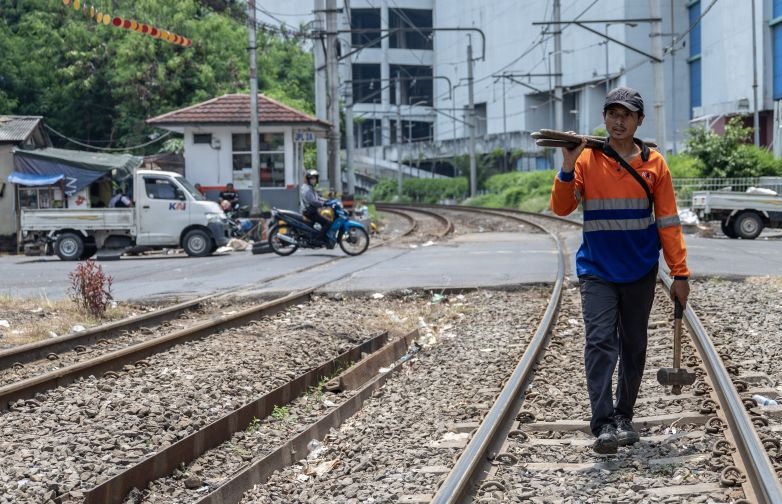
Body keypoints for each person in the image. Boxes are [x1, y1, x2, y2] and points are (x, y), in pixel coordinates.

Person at [549, 86, 690, 455]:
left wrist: (680, 273)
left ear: (639, 120)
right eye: (612, 113)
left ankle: (624, 415)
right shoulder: (586, 160)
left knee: (634, 345)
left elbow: (669, 222)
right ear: (605, 118)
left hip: (640, 270)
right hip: (597, 270)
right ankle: (603, 423)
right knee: (599, 343)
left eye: (626, 114)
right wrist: (567, 165)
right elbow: (561, 208)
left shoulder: (655, 164)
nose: (618, 120)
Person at [299, 169, 331, 243]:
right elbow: (313, 201)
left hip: (311, 210)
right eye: (312, 178)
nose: (314, 180)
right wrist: (323, 204)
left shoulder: (309, 187)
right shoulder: (307, 189)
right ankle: (318, 239)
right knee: (327, 223)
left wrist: (326, 201)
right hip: (310, 212)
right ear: (308, 179)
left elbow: (317, 198)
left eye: (315, 178)